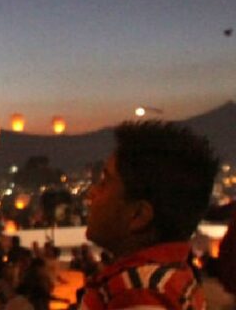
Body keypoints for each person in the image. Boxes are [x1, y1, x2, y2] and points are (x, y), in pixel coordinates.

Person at [82, 120, 219, 310]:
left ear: (138, 215)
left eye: (105, 182)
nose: (91, 193)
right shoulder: (171, 278)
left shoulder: (139, 293)